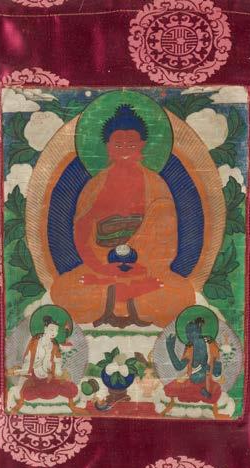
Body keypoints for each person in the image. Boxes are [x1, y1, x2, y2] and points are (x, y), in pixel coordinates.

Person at [51, 105, 195, 328]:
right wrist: (101, 269)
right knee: (63, 291)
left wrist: (144, 269)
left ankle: (120, 296)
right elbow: (81, 234)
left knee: (182, 294)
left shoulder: (156, 185)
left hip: (147, 272)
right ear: (108, 147)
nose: (125, 149)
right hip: (101, 269)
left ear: (142, 145)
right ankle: (127, 297)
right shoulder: (94, 186)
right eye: (118, 145)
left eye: (131, 144)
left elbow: (166, 241)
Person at [10, 316, 86, 415]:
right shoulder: (36, 342)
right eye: (52, 329)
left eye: (56, 331)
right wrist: (21, 371)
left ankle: (72, 406)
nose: (54, 333)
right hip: (37, 374)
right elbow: (29, 359)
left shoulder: (54, 344)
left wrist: (58, 373)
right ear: (46, 329)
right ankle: (22, 401)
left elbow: (57, 361)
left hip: (51, 376)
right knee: (35, 392)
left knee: (72, 389)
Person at [163, 317, 228, 419]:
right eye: (187, 333)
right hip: (192, 380)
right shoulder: (190, 347)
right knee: (169, 389)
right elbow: (179, 366)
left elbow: (217, 364)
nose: (189, 335)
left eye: (192, 331)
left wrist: (214, 373)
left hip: (207, 381)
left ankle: (204, 393)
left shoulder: (210, 344)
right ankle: (201, 393)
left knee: (215, 392)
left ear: (199, 330)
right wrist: (170, 349)